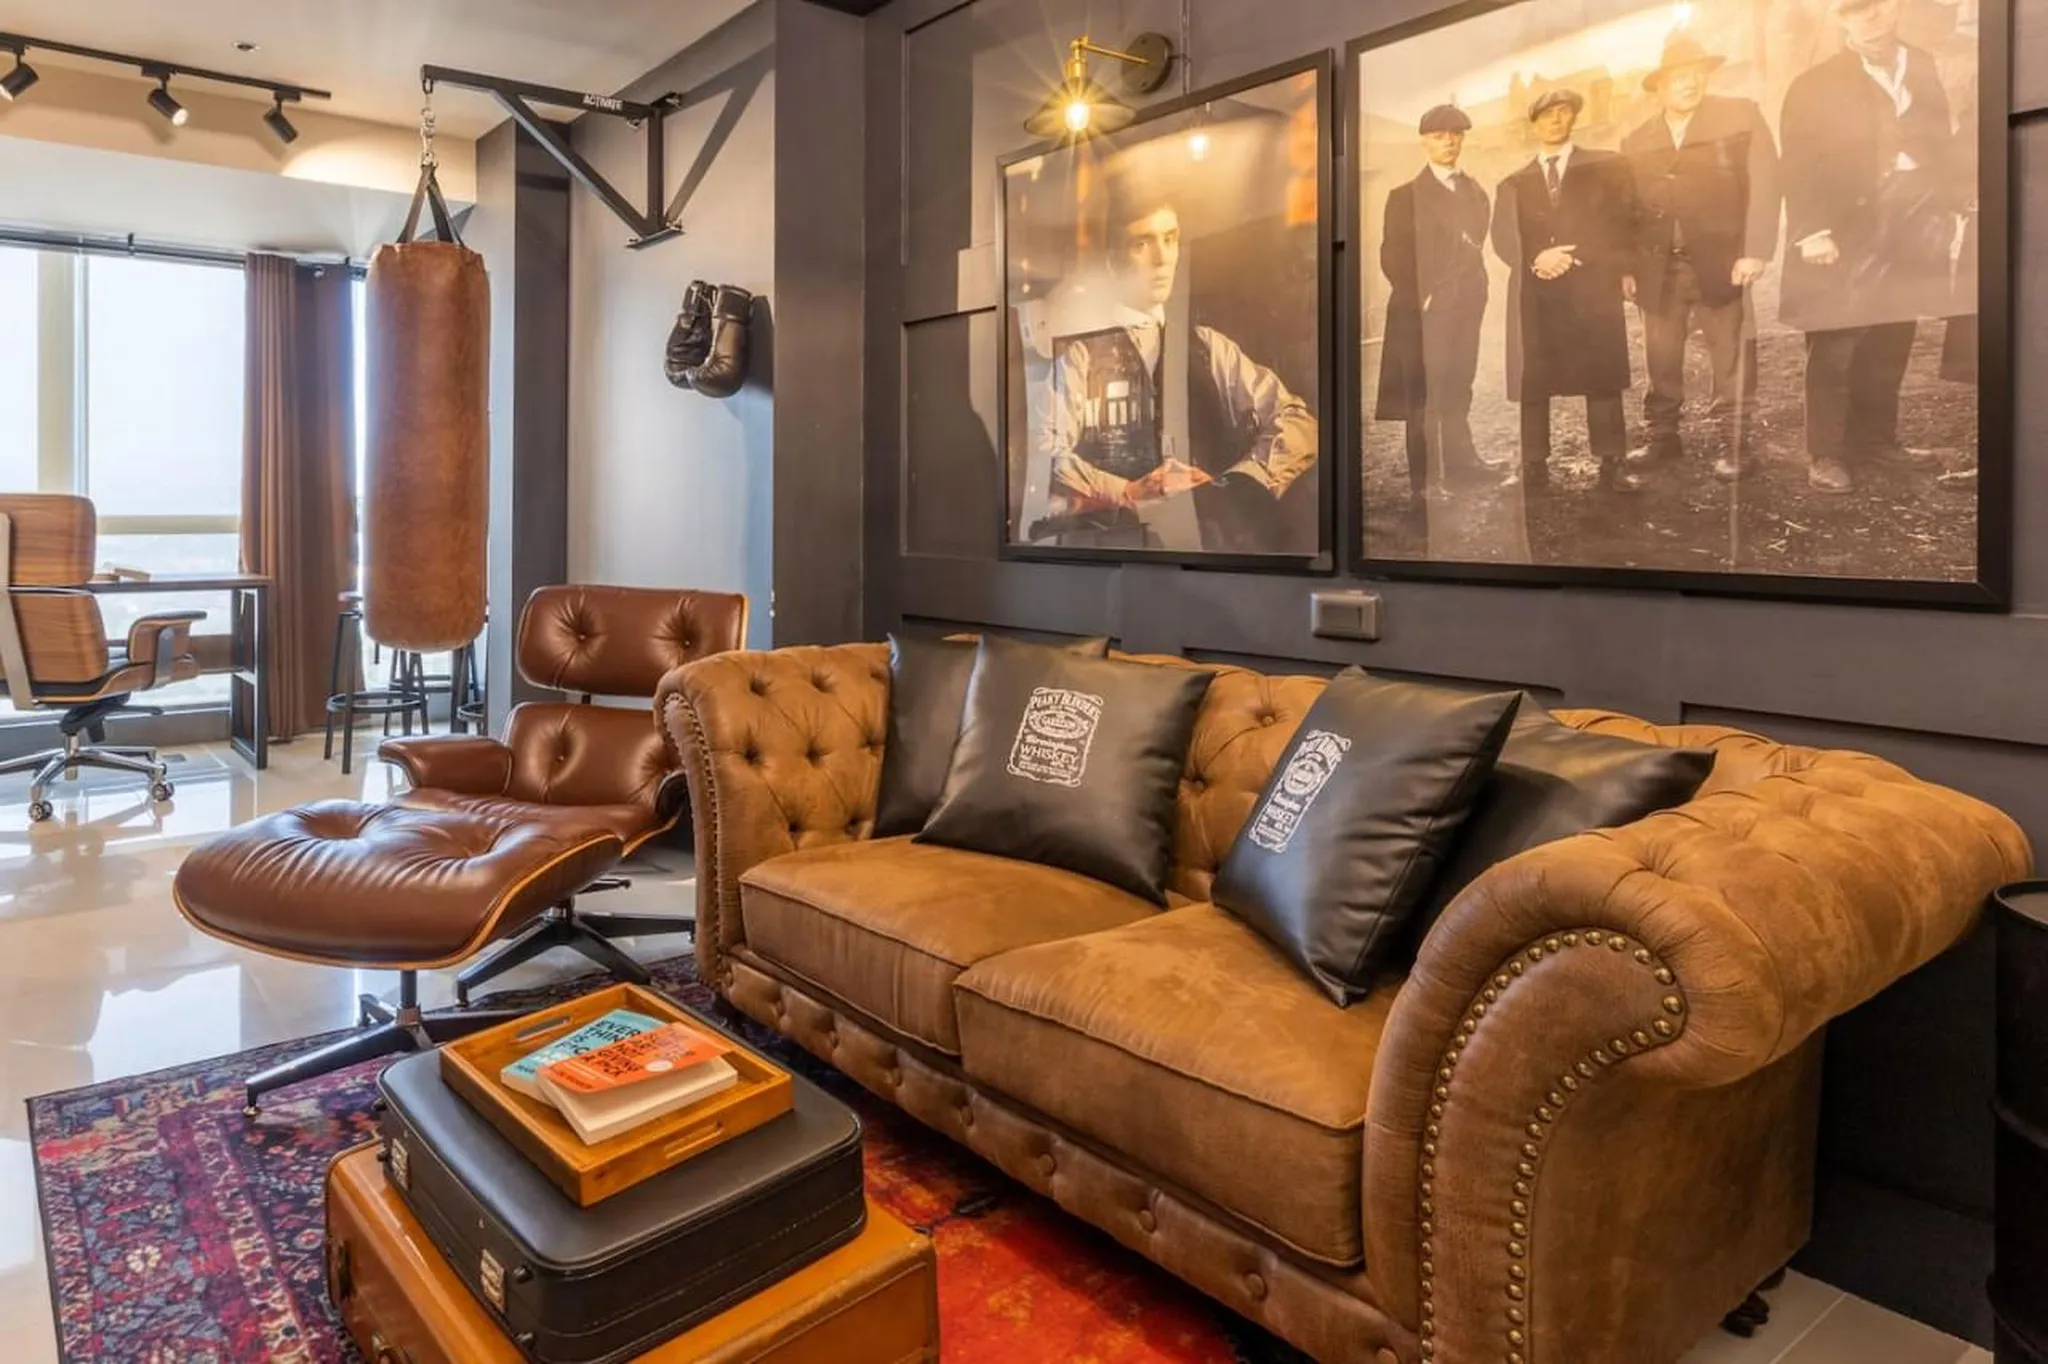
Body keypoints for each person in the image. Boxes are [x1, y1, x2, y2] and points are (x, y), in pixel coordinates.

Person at [1041, 172, 1319, 551]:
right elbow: (1046, 453)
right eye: (1142, 243)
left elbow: (1296, 420)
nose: (1161, 258)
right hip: (1115, 550)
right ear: (1113, 259)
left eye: (1169, 239)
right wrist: (1127, 491)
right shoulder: (1081, 357)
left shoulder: (1209, 347)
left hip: (1208, 550)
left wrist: (1237, 483)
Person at [1780, 0, 1960, 493]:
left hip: (1910, 219)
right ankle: (1826, 453)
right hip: (1843, 228)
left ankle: (1878, 441)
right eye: (1856, 10)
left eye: (1879, 6)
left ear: (1897, 9)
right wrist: (1812, 231)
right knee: (1836, 341)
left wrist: (1946, 205)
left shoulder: (1921, 64)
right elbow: (1796, 164)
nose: (1871, 17)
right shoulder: (1814, 83)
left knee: (1891, 335)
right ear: (1840, 19)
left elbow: (1940, 141)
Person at [1622, 34, 1782, 481]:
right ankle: (1663, 438)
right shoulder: (1637, 139)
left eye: (1697, 73)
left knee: (1731, 352)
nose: (1690, 82)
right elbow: (1625, 208)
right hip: (1658, 267)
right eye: (1678, 76)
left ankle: (1734, 444)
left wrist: (1755, 249)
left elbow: (1766, 183)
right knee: (1661, 355)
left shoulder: (1740, 116)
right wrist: (1627, 267)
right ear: (1660, 85)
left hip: (1721, 261)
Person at [1490, 87, 1642, 493]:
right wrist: (1536, 259)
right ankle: (1533, 464)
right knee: (1533, 377)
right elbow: (1503, 235)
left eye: (1563, 112)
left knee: (1601, 372)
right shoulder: (1513, 183)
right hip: (1536, 291)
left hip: (1592, 285)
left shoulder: (1606, 167)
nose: (1556, 120)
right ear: (1534, 124)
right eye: (1546, 115)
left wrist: (1579, 257)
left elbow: (1624, 221)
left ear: (1573, 118)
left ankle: (1612, 461)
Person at [1375, 103, 1498, 511]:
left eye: (1455, 135)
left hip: (1466, 306)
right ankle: (1423, 483)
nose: (1449, 142)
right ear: (1424, 142)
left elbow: (1476, 243)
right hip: (1424, 314)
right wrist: (1422, 295)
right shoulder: (1404, 196)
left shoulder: (1475, 190)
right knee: (1423, 397)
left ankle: (1463, 464)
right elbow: (1392, 256)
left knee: (1458, 384)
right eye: (1439, 136)